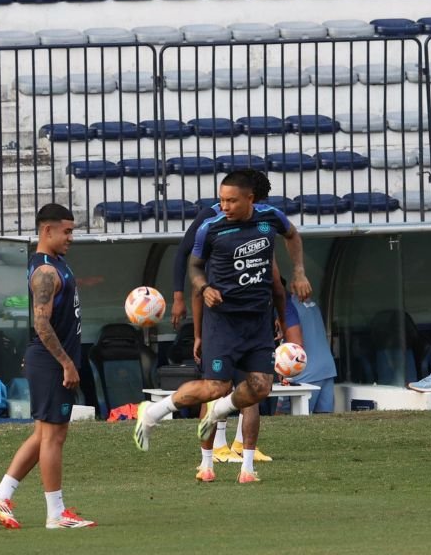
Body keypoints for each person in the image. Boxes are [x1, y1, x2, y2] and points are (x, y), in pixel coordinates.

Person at [135, 169, 311, 484]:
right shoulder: (211, 227)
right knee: (215, 388)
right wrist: (204, 288)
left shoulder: (270, 219)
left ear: (250, 199)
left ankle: (226, 422)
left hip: (257, 322)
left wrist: (298, 272)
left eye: (231, 201)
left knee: (260, 388)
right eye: (222, 200)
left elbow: (293, 236)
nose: (224, 206)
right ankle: (152, 413)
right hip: (223, 322)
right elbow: (194, 265)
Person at [0, 204, 95, 529]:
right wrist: (66, 364)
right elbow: (41, 324)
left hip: (46, 360)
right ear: (47, 230)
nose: (71, 237)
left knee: (44, 434)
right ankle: (56, 514)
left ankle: (1, 495)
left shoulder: (55, 263)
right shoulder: (45, 271)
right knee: (54, 436)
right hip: (52, 362)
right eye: (67, 231)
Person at [169, 198, 275, 475]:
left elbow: (272, 281)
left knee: (249, 389)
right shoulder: (211, 225)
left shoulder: (258, 233)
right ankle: (214, 451)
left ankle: (242, 451)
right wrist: (183, 304)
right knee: (216, 389)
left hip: (250, 328)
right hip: (222, 328)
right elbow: (188, 264)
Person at [280, 281, 336, 413]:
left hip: (305, 372)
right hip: (327, 368)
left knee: (295, 418)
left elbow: (295, 343)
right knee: (325, 421)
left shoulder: (286, 307)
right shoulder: (312, 303)